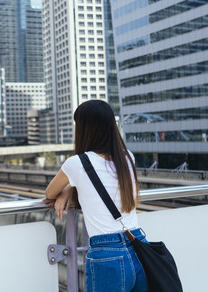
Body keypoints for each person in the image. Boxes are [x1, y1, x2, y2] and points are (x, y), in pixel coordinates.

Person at [45, 100, 147, 292]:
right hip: (139, 245)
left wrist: (67, 188)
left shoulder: (76, 163)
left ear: (85, 129)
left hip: (107, 255)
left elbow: (49, 192)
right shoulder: (127, 157)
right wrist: (71, 186)